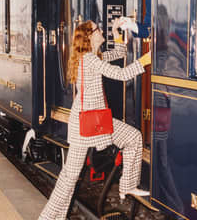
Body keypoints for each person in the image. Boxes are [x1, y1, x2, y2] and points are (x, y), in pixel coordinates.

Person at [38, 19, 151, 220]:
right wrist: (145, 60)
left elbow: (119, 54)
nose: (101, 31)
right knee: (69, 178)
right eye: (99, 29)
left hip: (95, 121)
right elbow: (122, 74)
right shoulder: (90, 59)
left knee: (132, 138)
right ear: (90, 36)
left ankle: (127, 185)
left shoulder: (93, 56)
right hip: (87, 124)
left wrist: (117, 33)